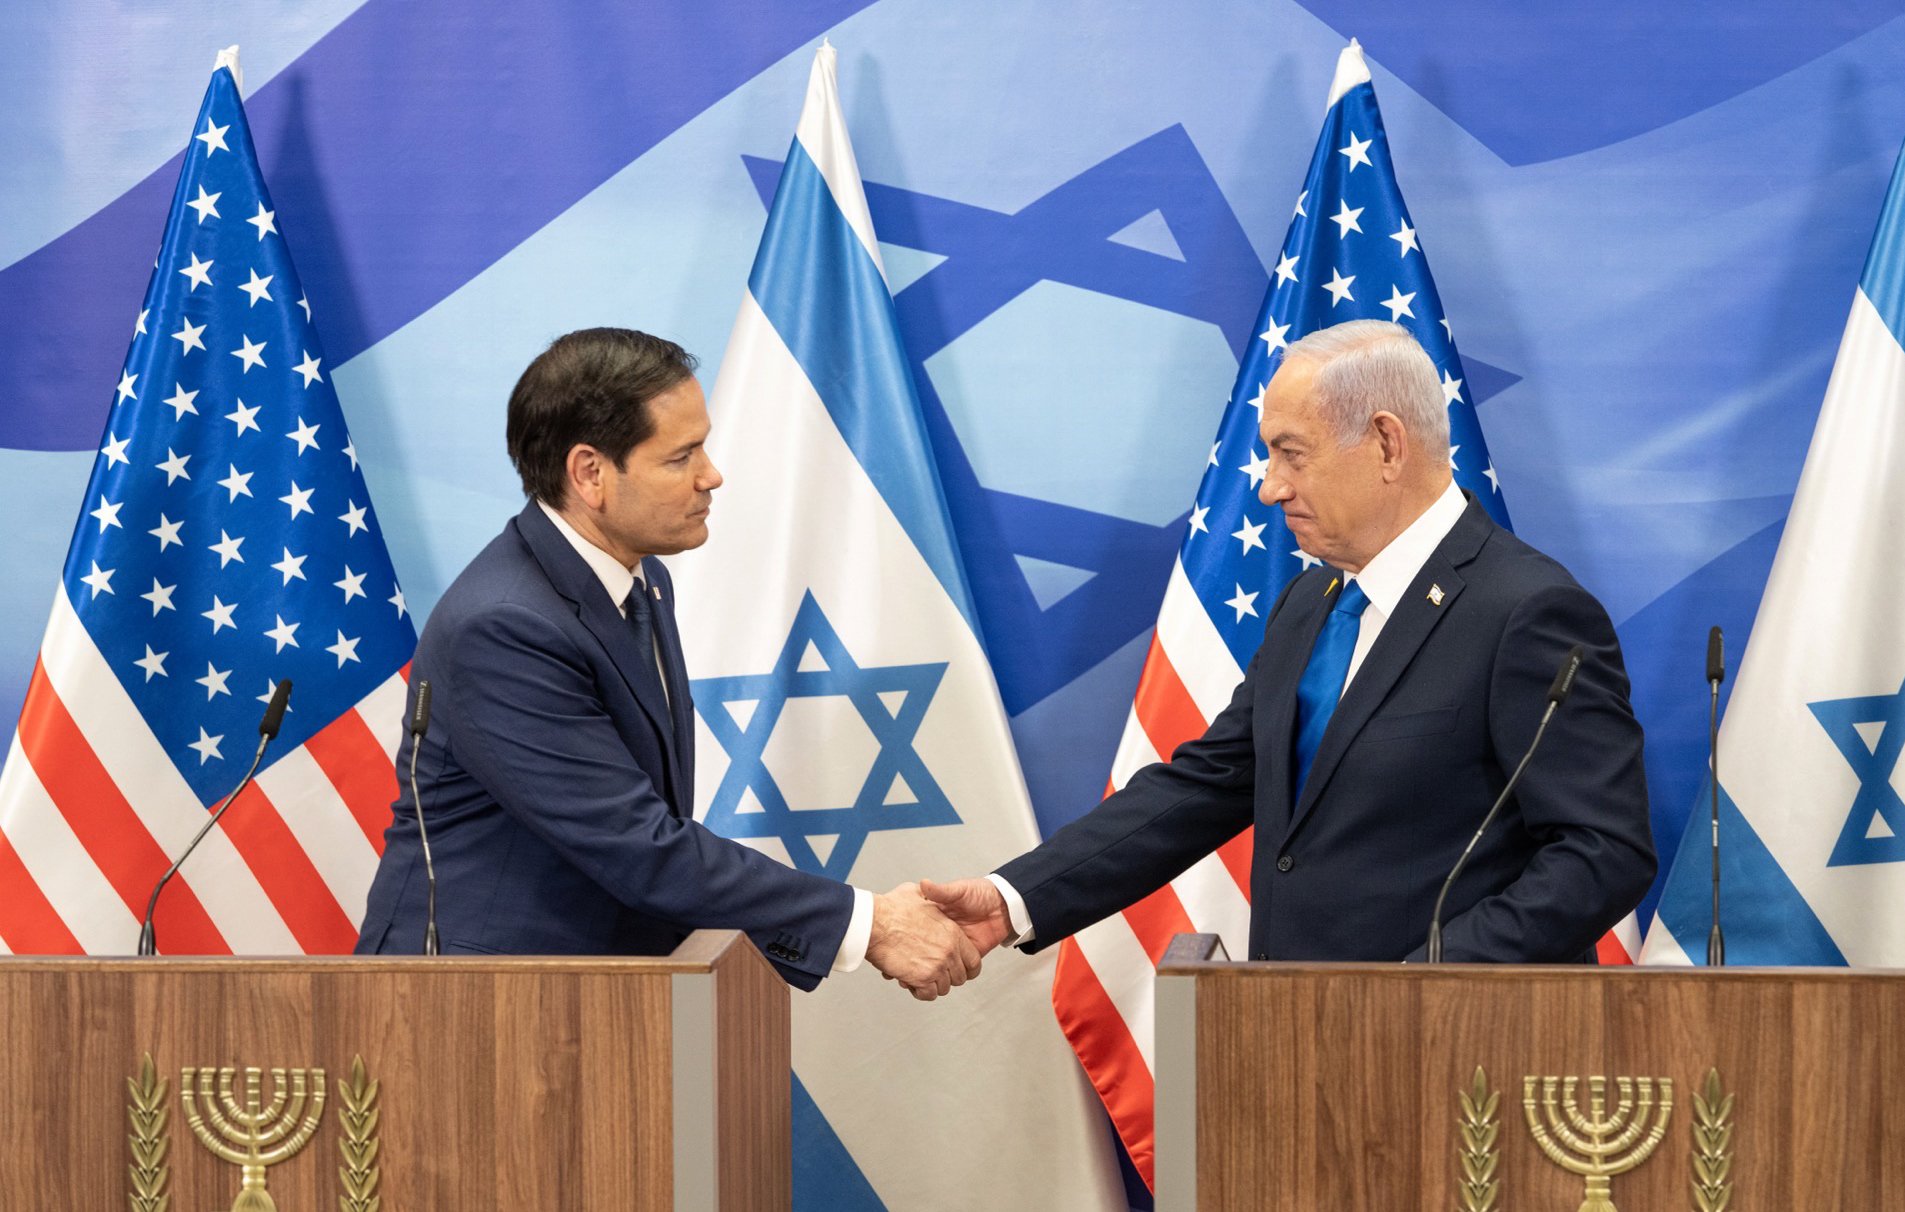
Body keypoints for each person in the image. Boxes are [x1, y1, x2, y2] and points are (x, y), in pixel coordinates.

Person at [923, 319, 1655, 966]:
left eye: (1290, 455)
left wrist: (1425, 979)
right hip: (1293, 1048)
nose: (1270, 488)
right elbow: (1206, 786)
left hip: (1456, 1060)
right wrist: (1011, 898)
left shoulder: (1525, 610)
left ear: (1385, 443)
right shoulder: (1310, 603)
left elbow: (1602, 852)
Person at [356, 327, 977, 998]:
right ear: (590, 474)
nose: (712, 475)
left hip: (601, 991)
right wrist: (867, 922)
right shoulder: (505, 625)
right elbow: (636, 844)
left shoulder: (641, 580)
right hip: (474, 1003)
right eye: (681, 456)